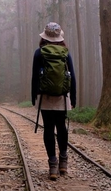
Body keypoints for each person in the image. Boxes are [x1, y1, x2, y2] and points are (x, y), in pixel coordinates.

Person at [31, 22, 76, 180]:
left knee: (48, 128)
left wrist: (33, 96)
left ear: (44, 36)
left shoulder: (39, 53)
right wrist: (74, 97)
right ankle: (63, 161)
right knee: (61, 126)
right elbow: (72, 76)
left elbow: (35, 77)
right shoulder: (65, 52)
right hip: (63, 96)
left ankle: (52, 165)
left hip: (45, 96)